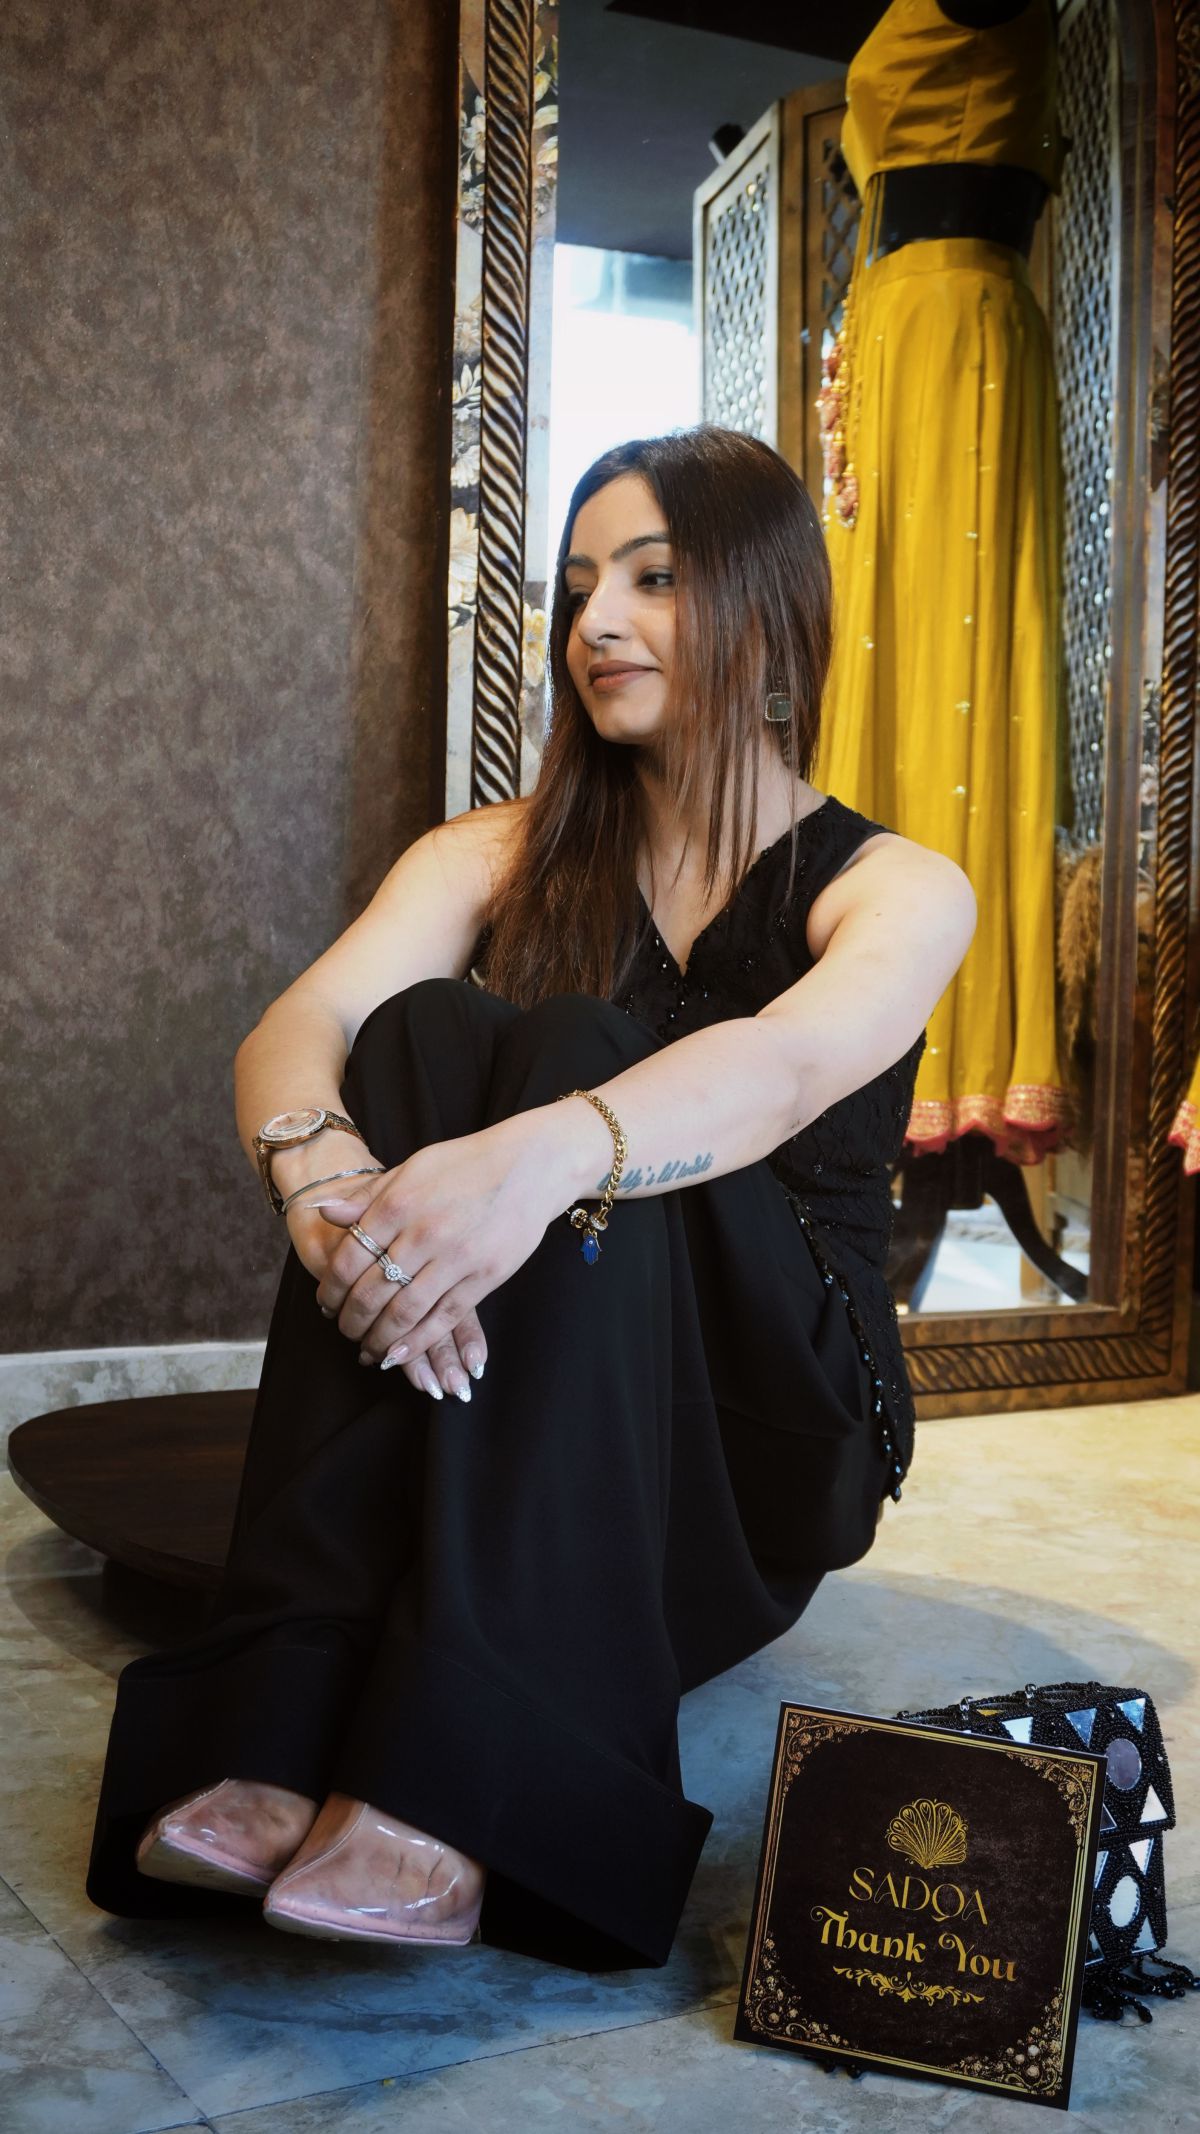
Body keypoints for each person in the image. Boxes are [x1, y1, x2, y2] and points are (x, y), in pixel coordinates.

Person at [86, 425, 976, 1970]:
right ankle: (282, 1726)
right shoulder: (499, 850)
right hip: (526, 1397)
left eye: (653, 579)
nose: (596, 623)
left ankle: (461, 1792)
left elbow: (777, 1072)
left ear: (770, 612)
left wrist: (544, 1151)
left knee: (574, 1042)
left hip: (767, 1431)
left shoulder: (896, 884)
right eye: (579, 588)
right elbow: (299, 1026)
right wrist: (327, 1188)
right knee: (422, 1033)